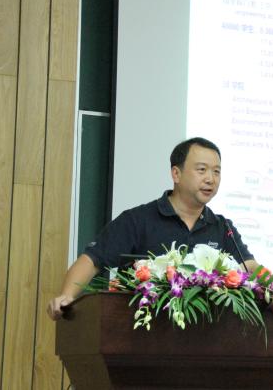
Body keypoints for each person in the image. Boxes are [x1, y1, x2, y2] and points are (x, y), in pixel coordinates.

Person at [47, 137, 259, 320]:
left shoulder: (222, 227)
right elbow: (92, 260)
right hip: (139, 334)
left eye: (216, 172)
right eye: (202, 170)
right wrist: (67, 296)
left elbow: (249, 266)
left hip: (205, 338)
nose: (210, 179)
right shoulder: (138, 220)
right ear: (176, 174)